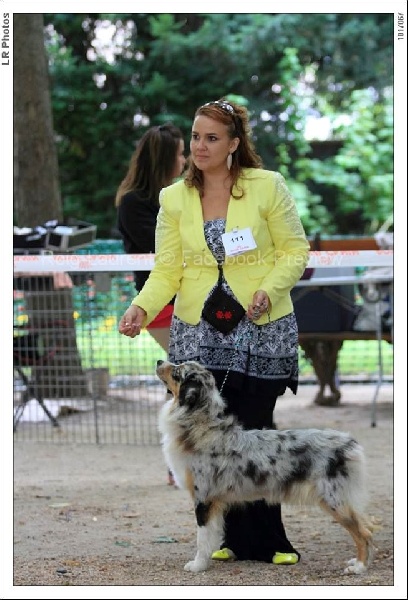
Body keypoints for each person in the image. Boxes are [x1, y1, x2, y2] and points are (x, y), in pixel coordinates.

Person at [118, 99, 310, 565]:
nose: (200, 146)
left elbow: (294, 251)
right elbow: (166, 269)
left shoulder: (267, 186)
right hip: (198, 331)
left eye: (212, 138)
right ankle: (222, 538)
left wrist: (268, 290)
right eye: (196, 137)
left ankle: (270, 540)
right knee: (208, 442)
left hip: (260, 325)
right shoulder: (173, 198)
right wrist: (141, 307)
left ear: (233, 144)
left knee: (255, 432)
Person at [115, 123, 186, 486]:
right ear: (164, 158)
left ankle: (184, 460)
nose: (186, 160)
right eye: (180, 153)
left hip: (188, 298)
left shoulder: (182, 195)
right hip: (159, 302)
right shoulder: (134, 202)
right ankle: (180, 462)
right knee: (184, 378)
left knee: (185, 377)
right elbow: (164, 251)